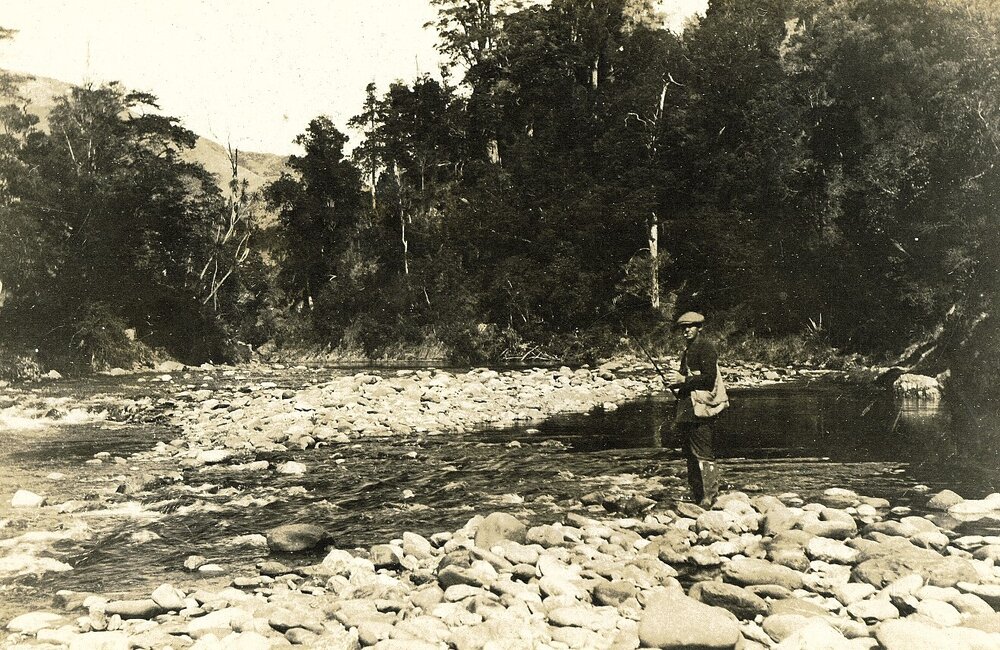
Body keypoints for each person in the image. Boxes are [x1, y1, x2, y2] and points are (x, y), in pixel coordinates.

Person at [667, 311, 721, 507]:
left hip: (701, 408)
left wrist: (684, 380)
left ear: (700, 328)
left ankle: (710, 496)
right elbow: (687, 379)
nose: (686, 331)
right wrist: (675, 383)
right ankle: (697, 494)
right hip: (688, 408)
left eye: (690, 327)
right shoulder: (688, 349)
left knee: (703, 452)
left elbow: (709, 379)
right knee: (690, 453)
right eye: (683, 328)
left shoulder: (706, 348)